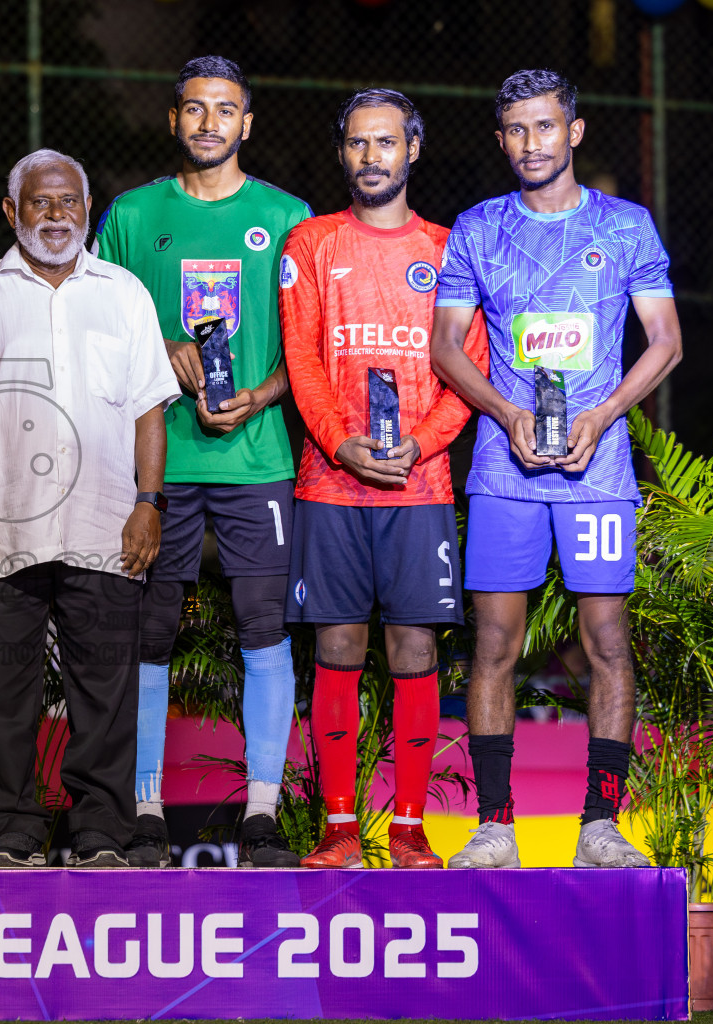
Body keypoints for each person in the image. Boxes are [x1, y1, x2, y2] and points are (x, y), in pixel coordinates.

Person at [430, 69, 681, 868]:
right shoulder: (476, 228)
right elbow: (445, 346)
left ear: (573, 131)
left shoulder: (628, 226)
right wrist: (504, 414)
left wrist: (604, 415)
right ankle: (496, 826)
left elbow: (667, 341)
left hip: (596, 472)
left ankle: (600, 826)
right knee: (494, 642)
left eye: (546, 127)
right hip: (505, 474)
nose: (531, 143)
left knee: (607, 639)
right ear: (501, 138)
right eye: (516, 130)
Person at [0, 150, 179, 867]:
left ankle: (99, 833)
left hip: (105, 525)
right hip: (3, 530)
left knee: (105, 691)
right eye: (41, 202)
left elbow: (150, 409)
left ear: (86, 210)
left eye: (69, 201)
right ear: (12, 212)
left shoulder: (124, 293)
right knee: (4, 691)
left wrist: (148, 502)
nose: (56, 214)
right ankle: (13, 831)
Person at [93, 56, 312, 867]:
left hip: (256, 459)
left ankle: (260, 814)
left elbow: (311, 350)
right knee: (149, 631)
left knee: (264, 630)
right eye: (194, 109)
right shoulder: (130, 215)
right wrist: (165, 348)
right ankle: (145, 809)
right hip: (158, 460)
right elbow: (97, 329)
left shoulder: (287, 217)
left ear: (247, 123)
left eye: (225, 109)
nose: (210, 122)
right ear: (174, 120)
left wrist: (260, 397)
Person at [279, 89, 488, 869]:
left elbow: (471, 367)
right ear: (344, 154)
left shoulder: (449, 247)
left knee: (413, 650)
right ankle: (339, 827)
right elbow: (301, 359)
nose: (372, 156)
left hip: (419, 486)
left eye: (386, 142)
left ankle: (407, 829)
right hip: (331, 486)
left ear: (414, 149)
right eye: (358, 144)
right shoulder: (311, 243)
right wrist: (341, 444)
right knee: (336, 644)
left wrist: (423, 445)